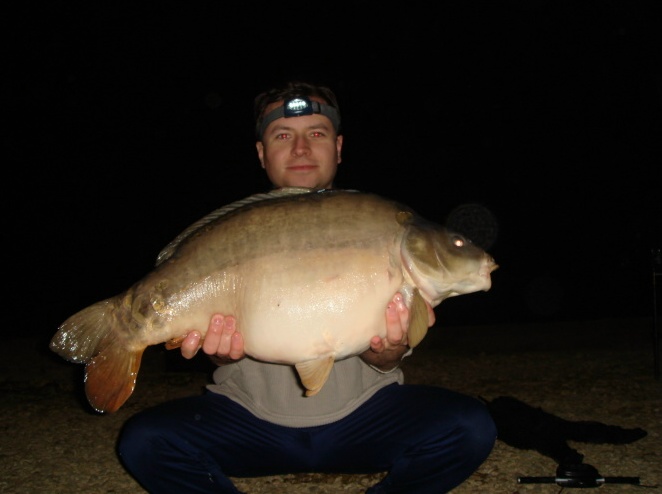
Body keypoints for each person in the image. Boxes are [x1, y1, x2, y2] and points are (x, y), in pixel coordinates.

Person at [117, 81, 496, 493]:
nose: (301, 149)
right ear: (262, 153)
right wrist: (219, 354)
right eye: (284, 136)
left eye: (316, 134)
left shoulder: (381, 220)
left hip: (366, 418)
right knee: (144, 441)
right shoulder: (234, 231)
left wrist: (388, 350)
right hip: (248, 421)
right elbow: (219, 344)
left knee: (470, 427)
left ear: (338, 147)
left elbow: (387, 359)